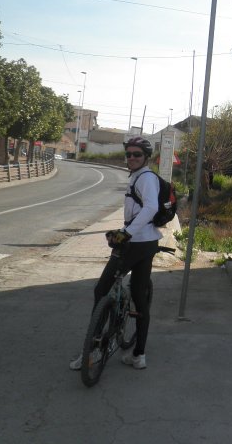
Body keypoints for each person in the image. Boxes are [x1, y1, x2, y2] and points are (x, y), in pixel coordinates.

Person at [70, 136, 162, 371]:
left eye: (137, 154)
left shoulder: (146, 178)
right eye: (128, 154)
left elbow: (151, 207)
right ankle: (139, 355)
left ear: (146, 157)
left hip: (135, 244)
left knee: (101, 290)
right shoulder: (139, 176)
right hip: (147, 242)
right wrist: (125, 230)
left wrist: (126, 233)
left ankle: (92, 352)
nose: (131, 158)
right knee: (139, 297)